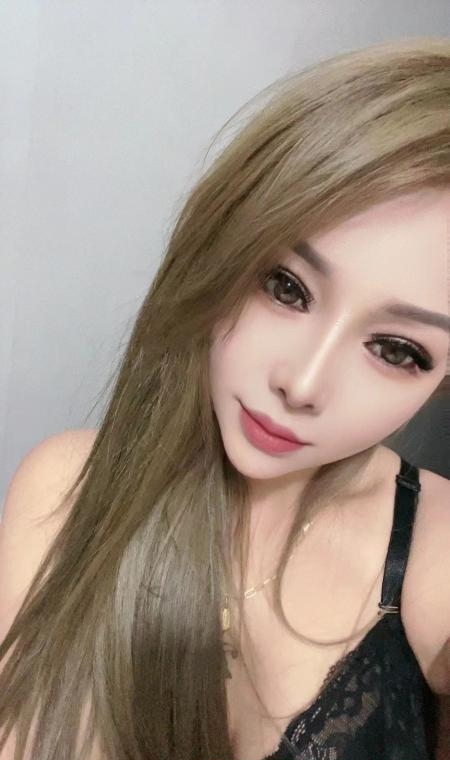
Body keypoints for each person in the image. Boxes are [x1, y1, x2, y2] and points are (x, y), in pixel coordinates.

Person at [0, 36, 449, 760]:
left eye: (397, 350)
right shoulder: (65, 492)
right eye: (286, 287)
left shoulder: (437, 553)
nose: (302, 385)